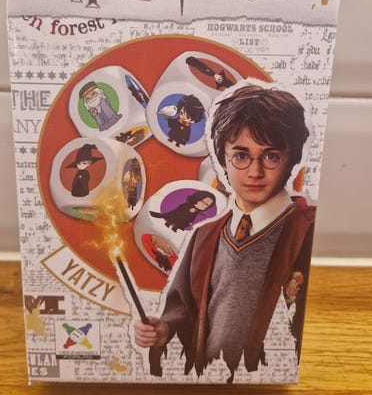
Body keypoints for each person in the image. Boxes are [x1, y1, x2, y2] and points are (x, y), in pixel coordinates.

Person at [134, 83, 315, 382]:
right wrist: (164, 329)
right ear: (222, 159)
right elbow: (183, 308)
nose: (254, 172)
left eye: (271, 157)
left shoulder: (308, 230)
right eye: (241, 156)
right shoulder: (205, 235)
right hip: (209, 378)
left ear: (292, 159)